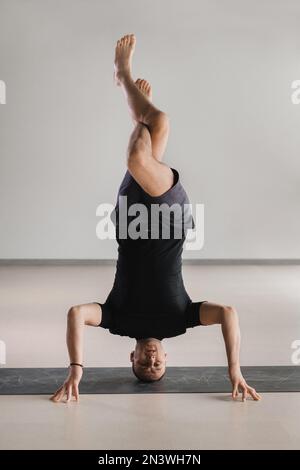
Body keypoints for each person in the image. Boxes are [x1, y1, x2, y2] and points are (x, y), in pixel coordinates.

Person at [51, 34, 261, 403]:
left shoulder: (117, 321)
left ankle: (130, 91)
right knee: (145, 145)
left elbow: (75, 313)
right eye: (157, 366)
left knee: (154, 129)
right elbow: (227, 313)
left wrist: (75, 369)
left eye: (143, 365)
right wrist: (235, 370)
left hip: (130, 217)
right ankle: (125, 80)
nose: (151, 361)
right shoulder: (179, 321)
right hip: (172, 218)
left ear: (130, 357)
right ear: (166, 357)